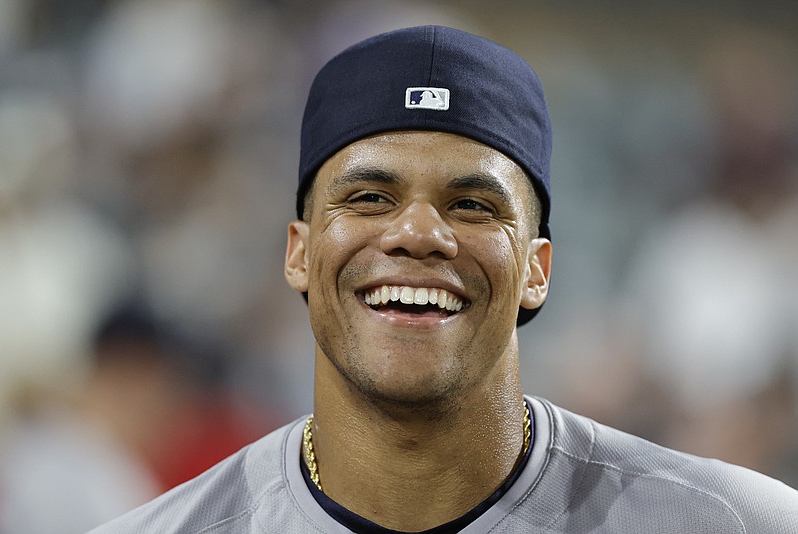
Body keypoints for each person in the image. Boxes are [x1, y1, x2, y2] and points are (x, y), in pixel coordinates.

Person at [90, 25, 798, 534]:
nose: (419, 233)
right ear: (299, 254)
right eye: (370, 197)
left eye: (472, 205)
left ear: (536, 270)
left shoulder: (738, 523)